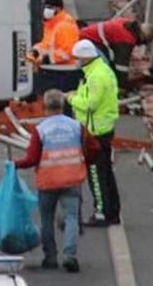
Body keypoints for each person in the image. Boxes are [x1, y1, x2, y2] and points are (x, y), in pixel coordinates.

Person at [14, 90, 101, 273]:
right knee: (71, 217)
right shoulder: (76, 126)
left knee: (47, 220)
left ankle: (50, 257)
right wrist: (85, 160)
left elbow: (32, 159)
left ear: (45, 108)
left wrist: (14, 165)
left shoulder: (41, 130)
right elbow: (94, 147)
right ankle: (70, 255)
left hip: (48, 182)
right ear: (63, 106)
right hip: (72, 178)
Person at [67, 40, 120, 227]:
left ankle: (101, 213)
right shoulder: (102, 71)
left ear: (85, 58)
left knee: (96, 174)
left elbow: (90, 104)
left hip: (94, 131)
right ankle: (112, 211)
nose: (77, 62)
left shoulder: (95, 77)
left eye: (78, 59)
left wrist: (72, 98)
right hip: (104, 128)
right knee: (106, 173)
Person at [32, 0, 78, 66]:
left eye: (50, 7)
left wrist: (46, 58)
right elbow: (47, 45)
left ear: (58, 8)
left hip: (65, 70)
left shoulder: (65, 25)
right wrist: (36, 50)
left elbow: (68, 52)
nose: (46, 10)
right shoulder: (52, 24)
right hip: (55, 68)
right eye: (46, 7)